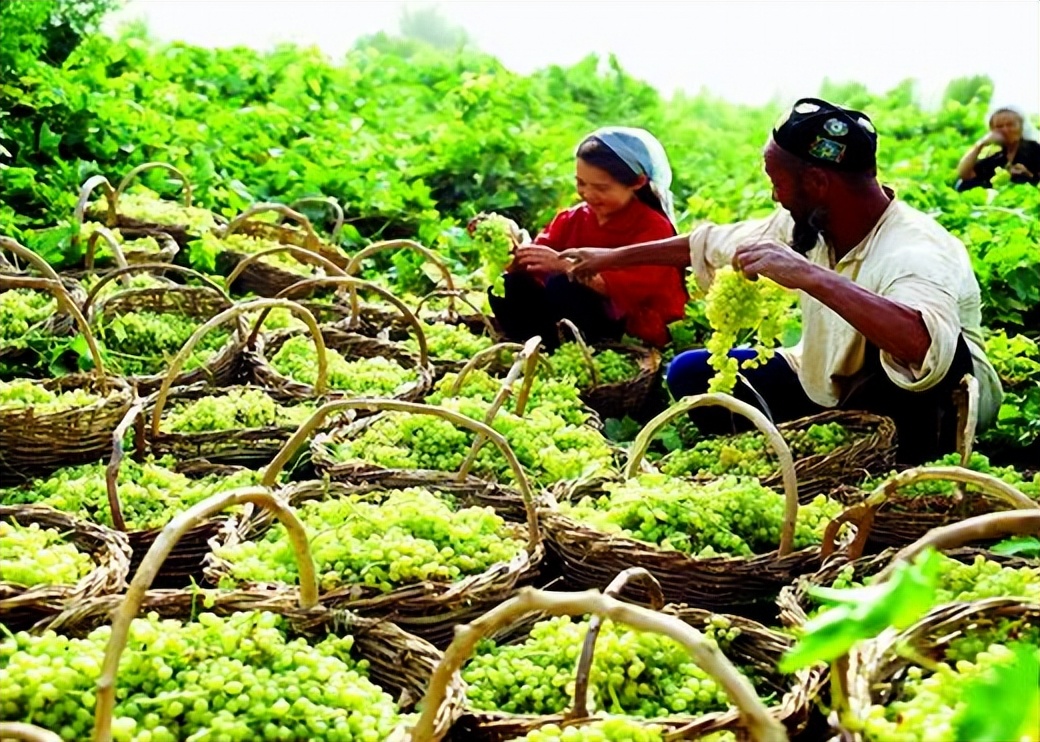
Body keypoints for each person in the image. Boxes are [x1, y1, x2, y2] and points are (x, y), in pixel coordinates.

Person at [519, 98, 1003, 464]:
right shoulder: (808, 221)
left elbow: (926, 347)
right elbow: (708, 243)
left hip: (920, 401)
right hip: (828, 381)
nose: (774, 193)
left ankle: (888, 455)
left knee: (929, 359)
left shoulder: (916, 249)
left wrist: (809, 275)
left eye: (777, 180)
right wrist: (613, 256)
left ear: (816, 183)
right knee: (691, 374)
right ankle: (824, 438)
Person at [487, 127, 688, 350]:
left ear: (638, 182)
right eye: (581, 184)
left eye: (601, 188)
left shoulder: (654, 227)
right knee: (509, 287)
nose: (588, 194)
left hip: (629, 322)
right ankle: (538, 347)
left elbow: (627, 291)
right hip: (573, 314)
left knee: (564, 285)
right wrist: (506, 245)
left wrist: (565, 265)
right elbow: (533, 265)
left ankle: (584, 349)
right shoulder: (571, 218)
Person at [955, 105, 1040, 190]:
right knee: (964, 185)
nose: (1005, 130)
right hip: (999, 201)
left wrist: (1029, 176)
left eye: (1010, 125)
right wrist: (980, 144)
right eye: (999, 127)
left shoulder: (1035, 150)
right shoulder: (997, 158)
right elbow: (964, 175)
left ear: (1021, 127)